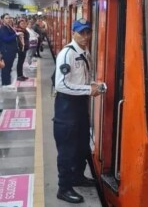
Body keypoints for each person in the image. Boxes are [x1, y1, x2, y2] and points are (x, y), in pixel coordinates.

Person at [53, 18, 105, 204]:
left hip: (80, 106)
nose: (85, 37)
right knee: (67, 149)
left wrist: (93, 85)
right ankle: (64, 187)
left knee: (82, 144)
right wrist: (87, 90)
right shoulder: (67, 54)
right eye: (80, 33)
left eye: (87, 32)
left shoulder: (85, 52)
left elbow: (81, 80)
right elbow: (61, 85)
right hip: (66, 107)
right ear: (73, 32)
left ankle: (78, 176)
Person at [0, 13, 22, 87]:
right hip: (6, 51)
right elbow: (6, 39)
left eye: (9, 18)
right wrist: (16, 34)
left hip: (11, 50)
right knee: (6, 67)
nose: (8, 19)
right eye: (6, 18)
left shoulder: (9, 27)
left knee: (9, 67)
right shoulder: (2, 28)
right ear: (2, 20)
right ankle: (5, 83)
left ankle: (7, 81)